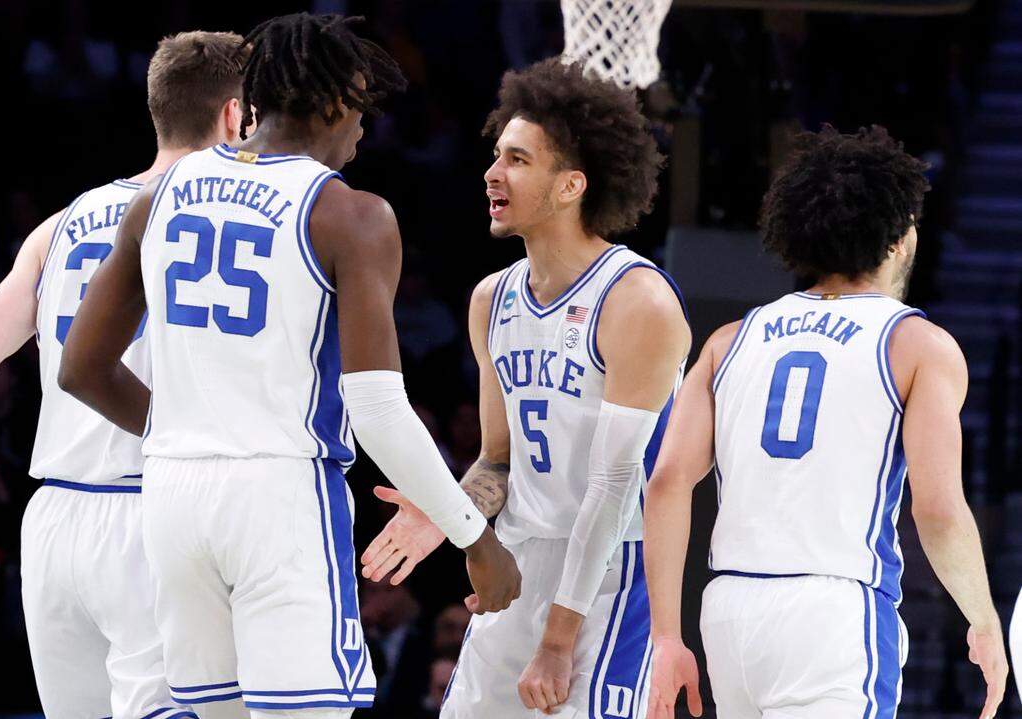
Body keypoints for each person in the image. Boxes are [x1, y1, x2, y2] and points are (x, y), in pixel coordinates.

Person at [58, 13, 520, 719]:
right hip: (276, 496)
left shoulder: (158, 195)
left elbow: (82, 369)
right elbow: (376, 408)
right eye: (362, 107)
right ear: (334, 102)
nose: (366, 130)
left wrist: (187, 423)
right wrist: (473, 535)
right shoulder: (350, 214)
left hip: (173, 495)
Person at [0, 30, 250, 719]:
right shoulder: (230, 221)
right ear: (232, 115)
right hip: (153, 513)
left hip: (53, 526)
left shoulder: (60, 225)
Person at [641, 126, 1009, 719]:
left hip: (729, 612)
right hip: (833, 613)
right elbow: (938, 510)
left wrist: (665, 637)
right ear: (898, 237)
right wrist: (984, 619)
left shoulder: (728, 341)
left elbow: (664, 484)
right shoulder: (918, 345)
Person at [360, 57, 690, 717]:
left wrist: (560, 638)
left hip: (604, 578)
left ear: (570, 185)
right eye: (495, 155)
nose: (491, 173)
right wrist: (445, 510)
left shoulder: (638, 300)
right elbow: (497, 461)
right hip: (516, 561)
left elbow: (615, 485)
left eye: (516, 159)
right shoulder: (492, 298)